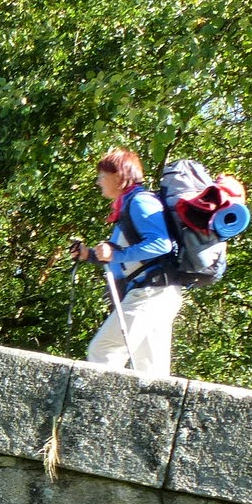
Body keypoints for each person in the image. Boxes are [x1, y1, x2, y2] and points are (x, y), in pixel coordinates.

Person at [72, 147, 182, 376]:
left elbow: (161, 245)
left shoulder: (140, 203)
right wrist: (89, 255)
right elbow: (127, 257)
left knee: (103, 351)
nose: (98, 181)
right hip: (158, 293)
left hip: (151, 294)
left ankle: (97, 409)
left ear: (120, 176)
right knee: (150, 373)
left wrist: (116, 255)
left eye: (103, 175)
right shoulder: (129, 205)